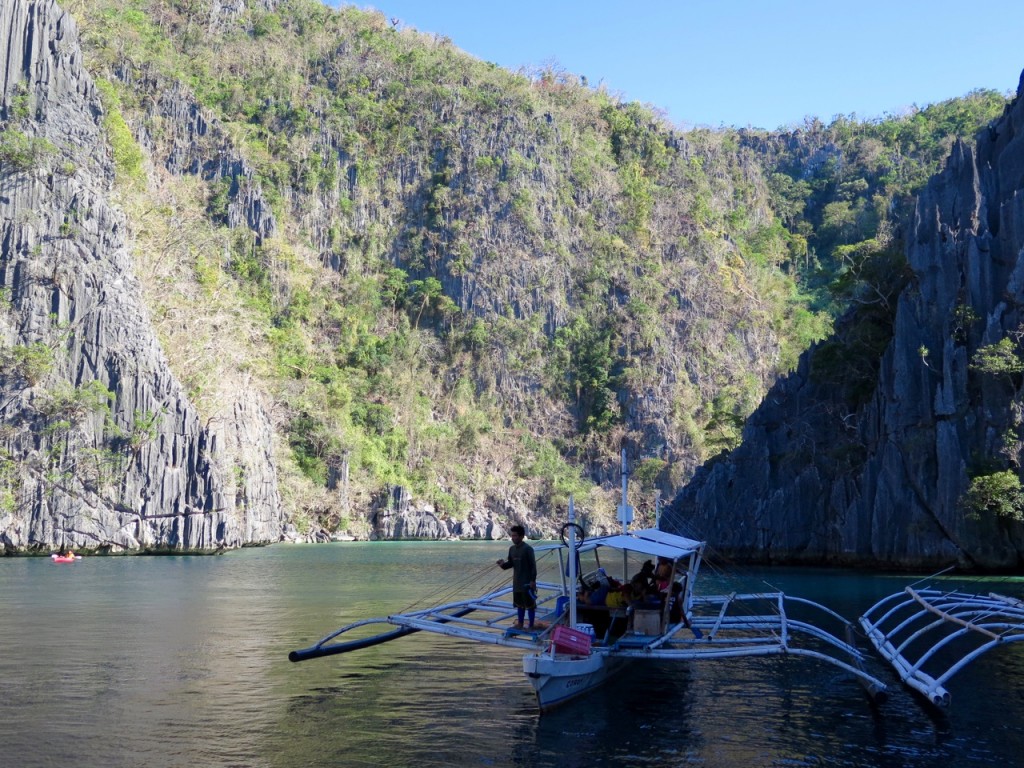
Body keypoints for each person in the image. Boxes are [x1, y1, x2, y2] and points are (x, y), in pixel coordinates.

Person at [496, 524, 538, 629]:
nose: (513, 538)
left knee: (530, 606)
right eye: (512, 535)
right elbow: (510, 564)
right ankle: (520, 624)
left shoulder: (528, 549)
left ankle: (531, 625)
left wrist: (533, 580)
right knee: (519, 605)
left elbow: (533, 566)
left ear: (521, 536)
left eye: (515, 536)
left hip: (527, 583)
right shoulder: (512, 549)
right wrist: (502, 565)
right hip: (517, 583)